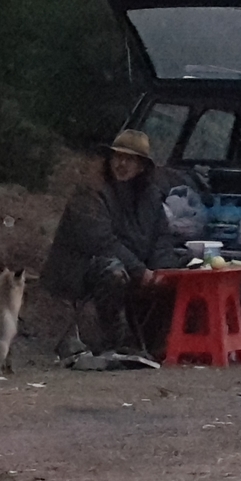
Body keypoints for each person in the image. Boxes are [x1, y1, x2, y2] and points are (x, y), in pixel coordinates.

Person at [41, 129, 178, 357]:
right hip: (79, 269)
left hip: (129, 265)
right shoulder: (90, 193)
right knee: (113, 272)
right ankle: (114, 340)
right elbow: (101, 242)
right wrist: (140, 271)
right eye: (117, 157)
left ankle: (155, 343)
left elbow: (161, 239)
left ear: (142, 166)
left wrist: (164, 271)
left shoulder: (151, 197)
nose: (122, 164)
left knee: (175, 277)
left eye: (130, 159)